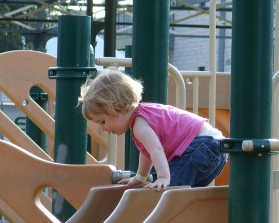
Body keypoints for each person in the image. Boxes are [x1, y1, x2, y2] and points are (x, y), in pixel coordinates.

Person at [79, 68, 227, 191]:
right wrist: (140, 177)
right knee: (184, 194)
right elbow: (148, 152)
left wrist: (163, 177)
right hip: (215, 148)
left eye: (103, 121)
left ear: (120, 108)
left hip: (201, 147)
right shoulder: (144, 115)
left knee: (168, 192)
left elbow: (156, 149)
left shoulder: (140, 124)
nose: (103, 128)